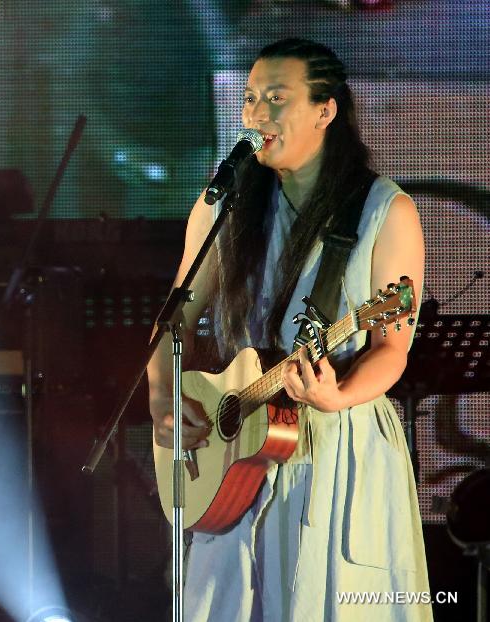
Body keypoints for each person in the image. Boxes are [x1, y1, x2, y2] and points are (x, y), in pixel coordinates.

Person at [147, 38, 432, 621]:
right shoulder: (226, 204)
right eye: (250, 99)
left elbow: (392, 347)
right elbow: (175, 316)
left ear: (325, 110)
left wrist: (338, 393)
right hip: (238, 451)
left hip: (337, 443)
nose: (256, 115)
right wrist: (163, 397)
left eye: (276, 99)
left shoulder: (385, 211)